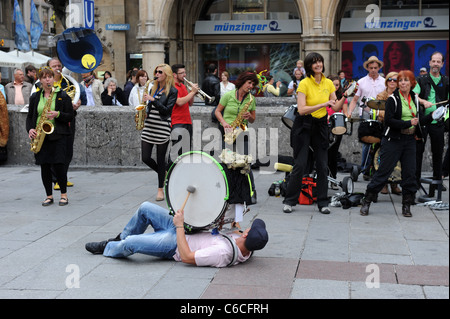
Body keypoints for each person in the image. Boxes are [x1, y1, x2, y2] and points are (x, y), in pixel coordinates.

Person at [85, 201, 268, 267]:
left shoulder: (222, 253)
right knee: (145, 208)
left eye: (249, 229)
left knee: (131, 243)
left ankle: (109, 247)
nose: (245, 229)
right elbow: (235, 229)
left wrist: (179, 225)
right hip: (185, 230)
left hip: (174, 244)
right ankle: (120, 238)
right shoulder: (245, 244)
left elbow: (188, 257)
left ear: (246, 236)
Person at [360, 70, 434, 217]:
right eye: (401, 81)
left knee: (409, 174)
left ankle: (406, 205)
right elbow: (389, 121)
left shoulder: (414, 99)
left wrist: (433, 116)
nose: (402, 83)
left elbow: (418, 122)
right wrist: (407, 123)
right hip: (393, 140)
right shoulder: (393, 99)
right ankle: (367, 200)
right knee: (383, 171)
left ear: (412, 83)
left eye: (406, 80)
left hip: (410, 141)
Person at [282, 52, 338, 215]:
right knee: (300, 164)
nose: (318, 64)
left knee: (322, 164)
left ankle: (322, 202)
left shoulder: (328, 83)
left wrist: (348, 96)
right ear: (309, 66)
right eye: (314, 62)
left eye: (320, 61)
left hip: (321, 125)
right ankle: (290, 200)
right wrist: (323, 103)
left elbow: (334, 106)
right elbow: (301, 109)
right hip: (304, 124)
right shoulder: (304, 84)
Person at [26, 67, 74, 206]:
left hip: (58, 135)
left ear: (53, 79)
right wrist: (30, 129)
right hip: (41, 136)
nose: (48, 80)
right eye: (45, 77)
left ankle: (64, 195)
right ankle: (49, 195)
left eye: (50, 77)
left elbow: (70, 115)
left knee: (59, 165)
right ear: (40, 80)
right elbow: (30, 117)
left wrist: (57, 114)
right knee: (45, 166)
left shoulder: (62, 95)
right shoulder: (35, 97)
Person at [214, 71, 259, 205]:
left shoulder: (251, 99)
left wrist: (248, 117)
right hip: (229, 132)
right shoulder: (228, 96)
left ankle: (251, 191)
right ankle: (229, 191)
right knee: (228, 163)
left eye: (253, 84)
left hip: (242, 131)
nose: (251, 86)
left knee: (245, 163)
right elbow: (217, 111)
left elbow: (253, 119)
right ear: (242, 82)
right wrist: (224, 123)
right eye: (249, 83)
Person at [414, 51, 449, 196]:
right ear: (429, 63)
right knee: (418, 152)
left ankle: (436, 183)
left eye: (438, 61)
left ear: (442, 64)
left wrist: (445, 117)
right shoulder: (421, 80)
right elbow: (414, 95)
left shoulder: (446, 81)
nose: (435, 64)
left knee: (438, 152)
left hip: (438, 122)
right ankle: (414, 182)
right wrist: (423, 102)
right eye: (433, 61)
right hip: (423, 121)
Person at [141, 64, 178, 202]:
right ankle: (165, 174)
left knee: (161, 159)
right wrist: (145, 111)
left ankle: (160, 190)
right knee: (145, 158)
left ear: (166, 74)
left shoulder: (172, 91)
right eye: (156, 71)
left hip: (162, 126)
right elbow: (151, 106)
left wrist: (153, 100)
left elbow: (166, 111)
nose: (157, 74)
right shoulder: (153, 87)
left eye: (160, 72)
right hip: (149, 125)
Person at [347, 56, 386, 180]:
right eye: (371, 68)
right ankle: (364, 169)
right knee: (366, 143)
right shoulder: (361, 82)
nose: (373, 70)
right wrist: (349, 112)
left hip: (381, 115)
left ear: (379, 68)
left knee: (380, 142)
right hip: (365, 114)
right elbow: (354, 100)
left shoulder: (385, 81)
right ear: (367, 68)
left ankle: (375, 168)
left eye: (375, 68)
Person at [375, 72, 402, 195]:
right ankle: (384, 184)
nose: (392, 82)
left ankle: (395, 183)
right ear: (386, 81)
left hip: (397, 130)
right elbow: (379, 113)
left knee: (397, 158)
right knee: (384, 158)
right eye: (390, 79)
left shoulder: (401, 95)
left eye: (395, 80)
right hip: (384, 130)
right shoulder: (381, 96)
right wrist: (392, 117)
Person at [169, 64, 198, 163]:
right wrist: (192, 92)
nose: (184, 75)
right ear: (174, 75)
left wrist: (192, 93)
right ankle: (168, 174)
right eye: (181, 73)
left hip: (187, 121)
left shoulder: (183, 87)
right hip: (177, 122)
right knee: (176, 151)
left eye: (185, 72)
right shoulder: (172, 87)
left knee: (185, 152)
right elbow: (179, 102)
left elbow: (190, 103)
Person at [327, 75, 349, 190]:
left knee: (333, 155)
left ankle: (333, 179)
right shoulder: (324, 95)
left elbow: (345, 112)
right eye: (333, 84)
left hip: (337, 127)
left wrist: (347, 116)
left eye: (337, 84)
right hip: (324, 126)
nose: (335, 87)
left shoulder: (341, 97)